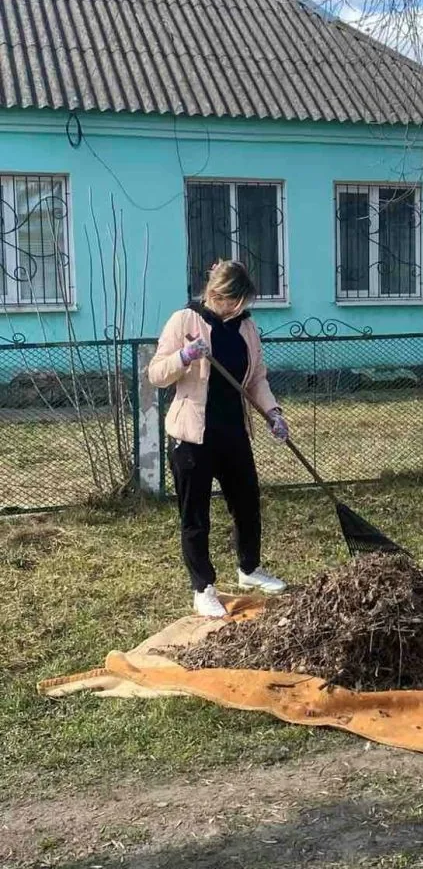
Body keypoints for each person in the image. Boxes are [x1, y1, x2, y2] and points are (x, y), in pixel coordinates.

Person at [148, 260, 290, 618]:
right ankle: (203, 587)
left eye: (244, 303)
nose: (241, 309)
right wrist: (184, 356)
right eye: (235, 302)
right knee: (195, 516)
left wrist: (273, 413)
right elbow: (156, 374)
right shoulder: (185, 321)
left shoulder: (246, 328)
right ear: (217, 294)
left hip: (233, 432)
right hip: (192, 437)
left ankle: (249, 569)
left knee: (247, 504)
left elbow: (256, 378)